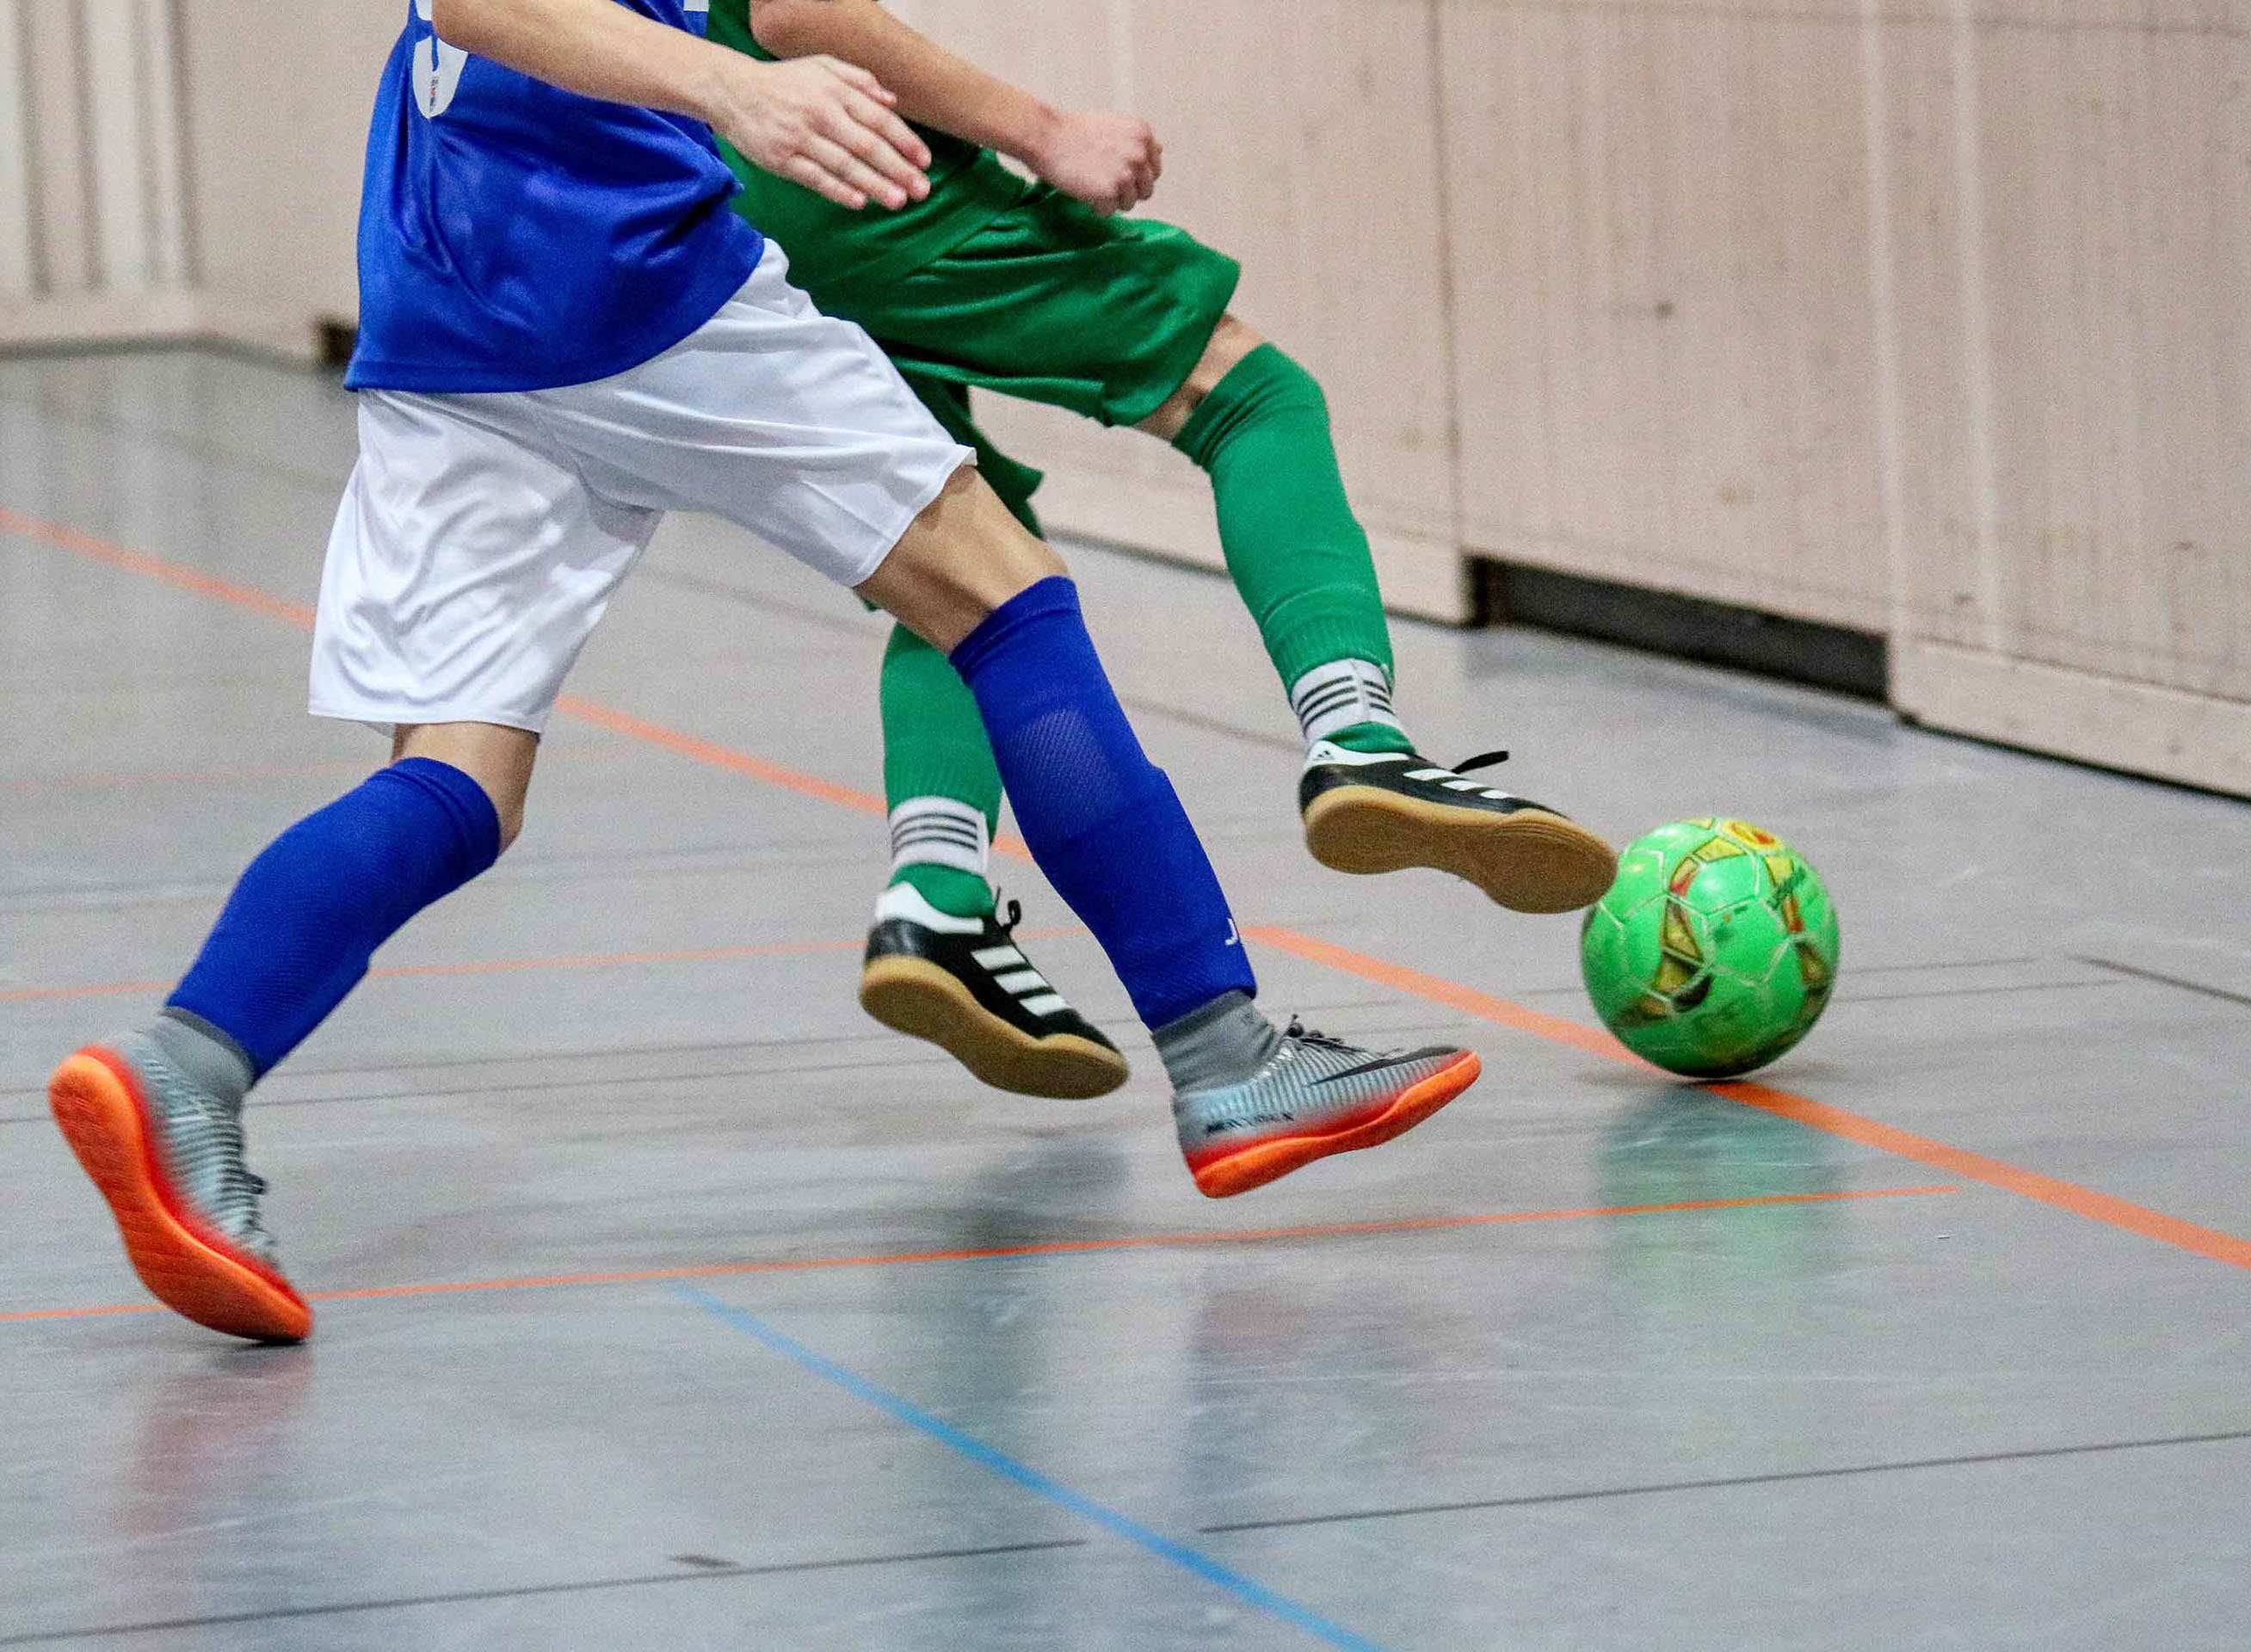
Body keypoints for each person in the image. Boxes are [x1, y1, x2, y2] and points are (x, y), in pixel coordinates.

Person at [45, 0, 1480, 1347]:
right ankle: (1225, 1054)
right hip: (624, 274)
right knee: (1004, 599)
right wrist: (733, 87)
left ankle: (188, 1067)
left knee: (458, 783)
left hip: (448, 293)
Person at [699, 0, 1617, 1100]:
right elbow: (792, 10)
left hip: (718, 202)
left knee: (962, 567)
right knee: (1251, 397)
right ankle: (1357, 734)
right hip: (845, 170)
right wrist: (1045, 131)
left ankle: (935, 896)